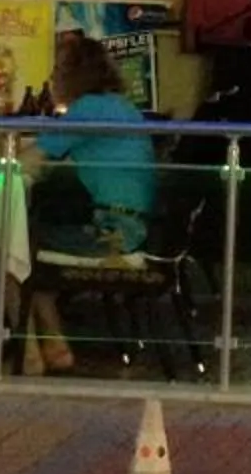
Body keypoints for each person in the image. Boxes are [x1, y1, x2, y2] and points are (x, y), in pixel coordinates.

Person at [22, 33, 158, 373]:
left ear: (72, 75)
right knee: (30, 237)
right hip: (137, 226)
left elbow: (30, 161)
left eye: (56, 71)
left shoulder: (89, 108)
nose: (51, 79)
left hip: (111, 235)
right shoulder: (121, 106)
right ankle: (41, 344)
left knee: (17, 248)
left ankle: (44, 347)